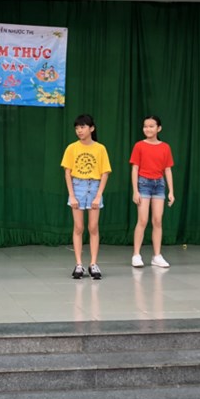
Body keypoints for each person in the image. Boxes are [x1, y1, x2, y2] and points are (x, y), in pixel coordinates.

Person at [61, 114, 111, 280]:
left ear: (91, 128)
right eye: (77, 128)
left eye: (82, 127)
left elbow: (105, 173)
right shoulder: (71, 148)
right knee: (78, 227)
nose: (79, 131)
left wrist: (98, 195)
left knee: (93, 227)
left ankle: (93, 264)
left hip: (94, 187)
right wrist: (72, 195)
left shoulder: (100, 148)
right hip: (77, 187)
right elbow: (67, 173)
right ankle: (79, 264)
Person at [130, 116, 175, 269]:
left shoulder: (165, 147)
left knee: (157, 220)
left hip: (159, 185)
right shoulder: (139, 146)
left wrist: (171, 191)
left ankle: (157, 255)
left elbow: (167, 169)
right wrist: (135, 191)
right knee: (142, 220)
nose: (147, 129)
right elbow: (135, 168)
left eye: (151, 126)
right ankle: (136, 254)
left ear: (158, 128)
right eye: (145, 126)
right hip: (143, 184)